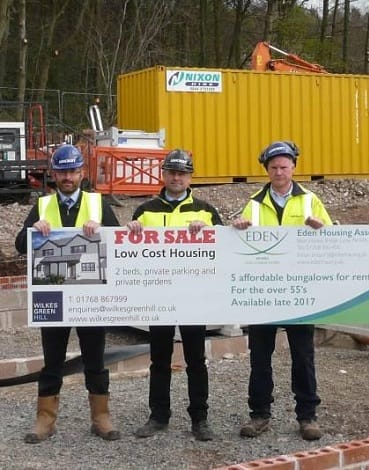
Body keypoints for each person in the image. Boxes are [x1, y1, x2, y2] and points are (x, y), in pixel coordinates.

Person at [15, 144, 122, 443]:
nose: (67, 177)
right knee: (53, 360)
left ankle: (101, 416)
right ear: (54, 173)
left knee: (95, 359)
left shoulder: (99, 205)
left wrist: (103, 230)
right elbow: (21, 244)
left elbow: (120, 245)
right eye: (62, 171)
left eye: (73, 171)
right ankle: (45, 420)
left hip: (90, 296)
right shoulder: (43, 206)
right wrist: (33, 230)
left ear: (82, 173)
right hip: (54, 296)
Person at [232, 140, 331, 441]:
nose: (279, 171)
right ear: (267, 169)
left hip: (299, 290)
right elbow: (237, 236)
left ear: (293, 168)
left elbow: (334, 238)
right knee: (260, 357)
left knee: (303, 356)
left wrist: (321, 229)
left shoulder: (310, 201)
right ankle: (259, 414)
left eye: (284, 166)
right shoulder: (253, 202)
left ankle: (307, 416)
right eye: (274, 167)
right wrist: (237, 226)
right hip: (264, 291)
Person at [127, 149, 222, 441]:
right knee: (159, 359)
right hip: (160, 296)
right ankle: (158, 416)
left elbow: (224, 252)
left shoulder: (205, 210)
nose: (177, 177)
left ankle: (200, 419)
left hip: (194, 297)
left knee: (196, 359)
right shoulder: (145, 210)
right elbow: (132, 254)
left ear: (190, 177)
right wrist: (131, 230)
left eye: (182, 173)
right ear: (163, 174)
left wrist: (209, 231)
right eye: (172, 172)